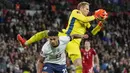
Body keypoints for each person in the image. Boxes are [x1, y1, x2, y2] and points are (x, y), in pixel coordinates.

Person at [17, 2, 108, 73]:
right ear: (81, 8)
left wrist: (99, 25)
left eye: (89, 9)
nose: (88, 11)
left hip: (74, 44)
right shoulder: (76, 12)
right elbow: (85, 18)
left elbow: (92, 32)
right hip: (65, 37)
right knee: (46, 33)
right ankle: (25, 43)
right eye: (87, 9)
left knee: (79, 66)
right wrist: (95, 16)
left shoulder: (87, 22)